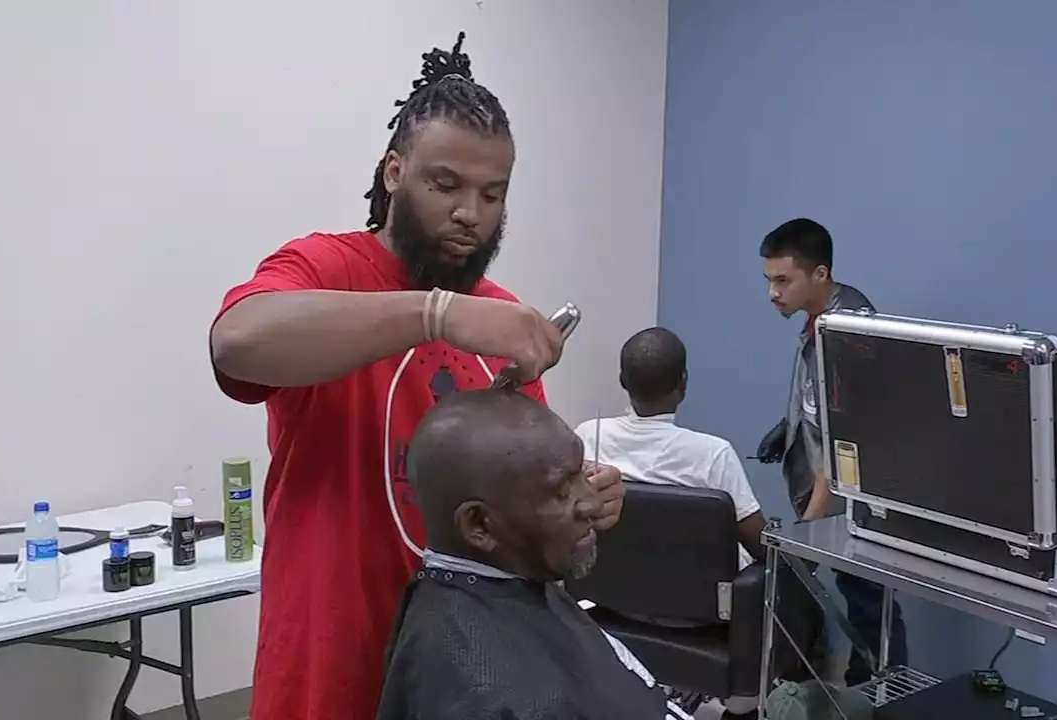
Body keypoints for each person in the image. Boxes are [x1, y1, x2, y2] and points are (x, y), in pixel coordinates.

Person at [208, 33, 625, 720]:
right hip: (332, 675)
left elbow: (516, 494)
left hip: (463, 680)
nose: (471, 213)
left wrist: (580, 501)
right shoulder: (327, 269)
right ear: (394, 171)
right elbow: (237, 343)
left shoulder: (498, 319)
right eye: (446, 185)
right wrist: (435, 314)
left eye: (494, 194)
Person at [377, 389, 693, 720]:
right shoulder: (479, 689)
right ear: (480, 524)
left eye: (582, 473)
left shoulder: (516, 572)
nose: (594, 503)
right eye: (562, 490)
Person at [754, 217, 906, 686]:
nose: (772, 293)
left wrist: (811, 527)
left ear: (820, 274)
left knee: (868, 603)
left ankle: (884, 699)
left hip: (849, 501)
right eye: (768, 281)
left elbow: (847, 442)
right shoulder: (820, 320)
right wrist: (789, 430)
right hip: (828, 495)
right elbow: (821, 405)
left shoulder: (847, 333)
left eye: (783, 280)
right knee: (858, 596)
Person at [575, 327, 766, 566]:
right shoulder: (714, 455)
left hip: (604, 593)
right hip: (698, 598)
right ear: (683, 382)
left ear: (623, 381)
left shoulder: (588, 436)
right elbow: (760, 545)